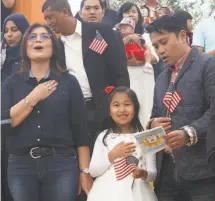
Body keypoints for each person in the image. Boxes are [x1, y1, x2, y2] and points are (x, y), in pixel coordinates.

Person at [42, 0, 129, 200]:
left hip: (106, 110)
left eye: (50, 17)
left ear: (64, 12)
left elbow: (120, 74)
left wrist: (118, 107)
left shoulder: (102, 32)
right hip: (73, 114)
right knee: (82, 172)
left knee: (110, 169)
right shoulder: (54, 46)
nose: (48, 22)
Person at [1, 23, 92, 201]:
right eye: (33, 37)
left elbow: (81, 130)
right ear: (25, 45)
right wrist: (33, 97)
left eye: (44, 36)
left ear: (54, 46)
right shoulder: (11, 83)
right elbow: (5, 123)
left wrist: (85, 171)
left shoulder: (68, 82)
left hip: (62, 164)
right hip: (21, 165)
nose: (38, 40)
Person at [146, 15, 215, 201]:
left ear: (183, 36)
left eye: (164, 42)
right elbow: (155, 113)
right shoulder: (161, 79)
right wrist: (152, 123)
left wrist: (189, 132)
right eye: (155, 46)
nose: (160, 50)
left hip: (203, 172)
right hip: (167, 172)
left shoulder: (208, 65)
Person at [87, 86, 158, 201]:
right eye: (116, 105)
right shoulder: (104, 137)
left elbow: (153, 174)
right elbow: (93, 171)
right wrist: (113, 154)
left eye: (127, 104)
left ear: (135, 109)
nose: (122, 110)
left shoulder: (146, 137)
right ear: (109, 111)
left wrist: (143, 173)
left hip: (138, 194)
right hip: (107, 194)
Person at [1, 13, 30, 83]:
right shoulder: (2, 57)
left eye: (14, 29)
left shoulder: (31, 56)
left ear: (24, 31)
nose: (9, 34)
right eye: (5, 31)